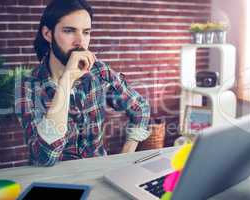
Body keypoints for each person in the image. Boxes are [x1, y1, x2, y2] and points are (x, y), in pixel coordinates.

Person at [16, 0, 150, 166]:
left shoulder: (99, 72)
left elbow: (140, 108)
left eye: (86, 32)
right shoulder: (27, 86)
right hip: (53, 180)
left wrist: (124, 158)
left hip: (99, 172)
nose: (80, 42)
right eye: (69, 31)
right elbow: (45, 158)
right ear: (48, 34)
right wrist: (67, 80)